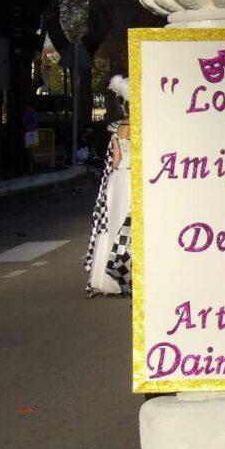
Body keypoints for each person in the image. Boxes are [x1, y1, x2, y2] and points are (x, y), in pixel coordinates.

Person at [85, 76, 133, 296]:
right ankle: (128, 270)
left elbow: (114, 160)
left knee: (112, 222)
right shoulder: (140, 128)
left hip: (117, 179)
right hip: (132, 179)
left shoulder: (119, 127)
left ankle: (106, 275)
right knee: (129, 225)